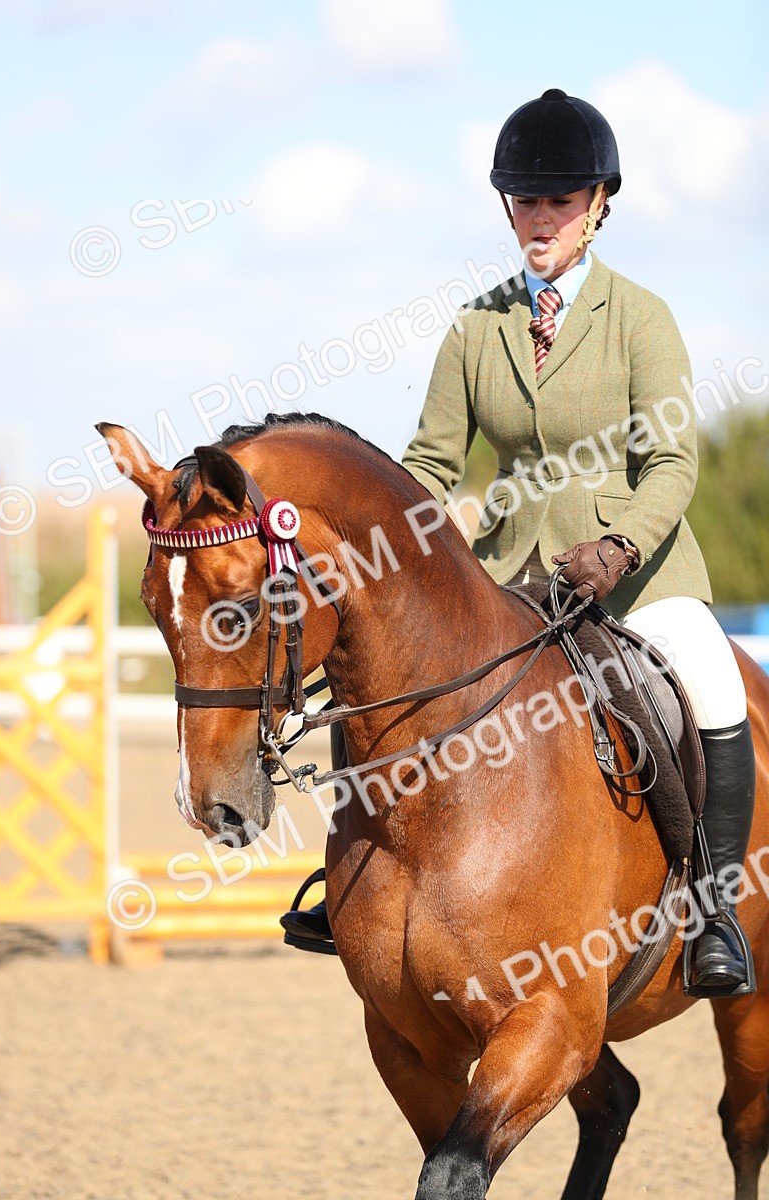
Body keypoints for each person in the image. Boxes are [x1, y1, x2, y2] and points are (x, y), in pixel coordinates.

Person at [280, 89, 756, 997]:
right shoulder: (476, 325)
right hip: (506, 573)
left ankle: (715, 904)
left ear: (599, 206)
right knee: (380, 677)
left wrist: (619, 547)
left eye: (561, 201)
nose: (542, 219)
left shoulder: (641, 317)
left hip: (635, 577)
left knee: (709, 681)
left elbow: (672, 461)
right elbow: (428, 458)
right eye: (527, 201)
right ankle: (353, 888)